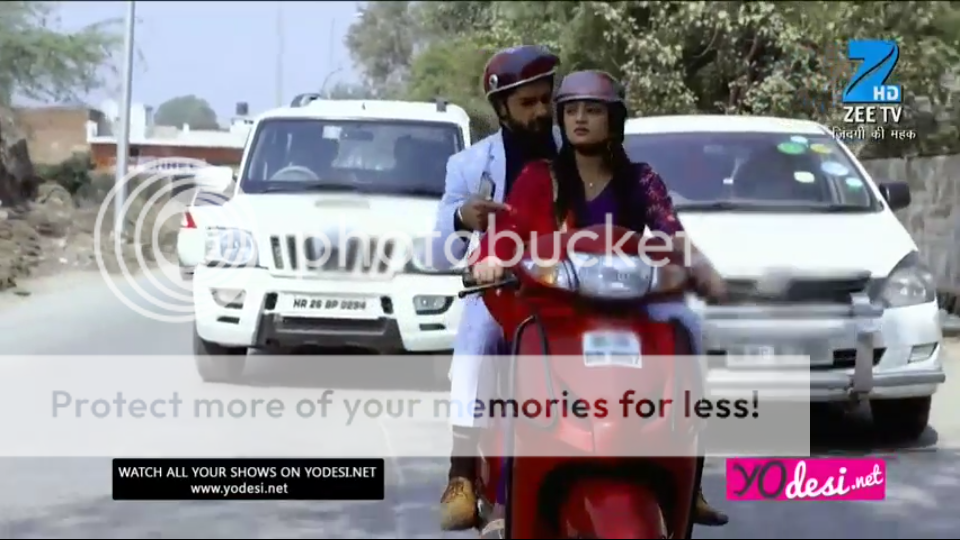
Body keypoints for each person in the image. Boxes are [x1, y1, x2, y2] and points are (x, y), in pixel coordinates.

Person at [470, 70, 730, 527]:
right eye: (571, 110)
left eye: (593, 110)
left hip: (632, 302)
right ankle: (502, 495)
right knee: (496, 341)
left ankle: (690, 473)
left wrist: (701, 266)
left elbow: (670, 231)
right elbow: (507, 230)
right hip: (558, 305)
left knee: (689, 328)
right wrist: (489, 258)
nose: (580, 119)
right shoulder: (541, 177)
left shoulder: (641, 180)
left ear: (614, 120)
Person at [430, 44, 563, 531]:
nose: (541, 111)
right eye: (527, 103)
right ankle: (462, 474)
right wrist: (462, 218)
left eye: (546, 99)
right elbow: (438, 250)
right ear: (502, 108)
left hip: (572, 287)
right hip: (501, 288)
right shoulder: (469, 165)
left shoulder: (577, 150)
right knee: (478, 340)